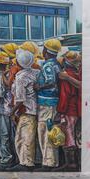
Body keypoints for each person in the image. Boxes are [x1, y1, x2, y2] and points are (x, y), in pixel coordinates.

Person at [6, 49, 40, 172]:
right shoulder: (36, 72)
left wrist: (12, 112)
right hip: (35, 108)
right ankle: (29, 160)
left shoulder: (20, 77)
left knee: (24, 137)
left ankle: (26, 162)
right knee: (29, 137)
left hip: (26, 110)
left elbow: (20, 99)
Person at [34, 39, 62, 172]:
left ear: (46, 50)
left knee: (45, 132)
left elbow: (51, 81)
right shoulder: (57, 64)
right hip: (53, 102)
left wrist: (38, 86)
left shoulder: (48, 66)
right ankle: (51, 161)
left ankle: (48, 162)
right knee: (50, 131)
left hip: (47, 103)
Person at [53, 51, 81, 171]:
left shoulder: (65, 76)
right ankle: (76, 162)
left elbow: (64, 95)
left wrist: (60, 111)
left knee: (68, 136)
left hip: (69, 109)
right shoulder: (77, 74)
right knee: (76, 135)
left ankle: (71, 163)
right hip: (76, 108)